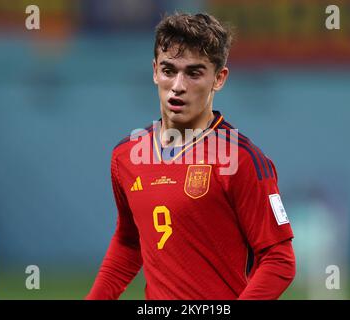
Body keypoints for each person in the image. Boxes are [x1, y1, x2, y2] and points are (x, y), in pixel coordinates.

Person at [87, 12, 295, 300]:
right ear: (154, 71)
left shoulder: (243, 160)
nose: (178, 86)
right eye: (169, 70)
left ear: (218, 79)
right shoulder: (126, 156)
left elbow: (279, 260)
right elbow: (128, 242)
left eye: (194, 73)